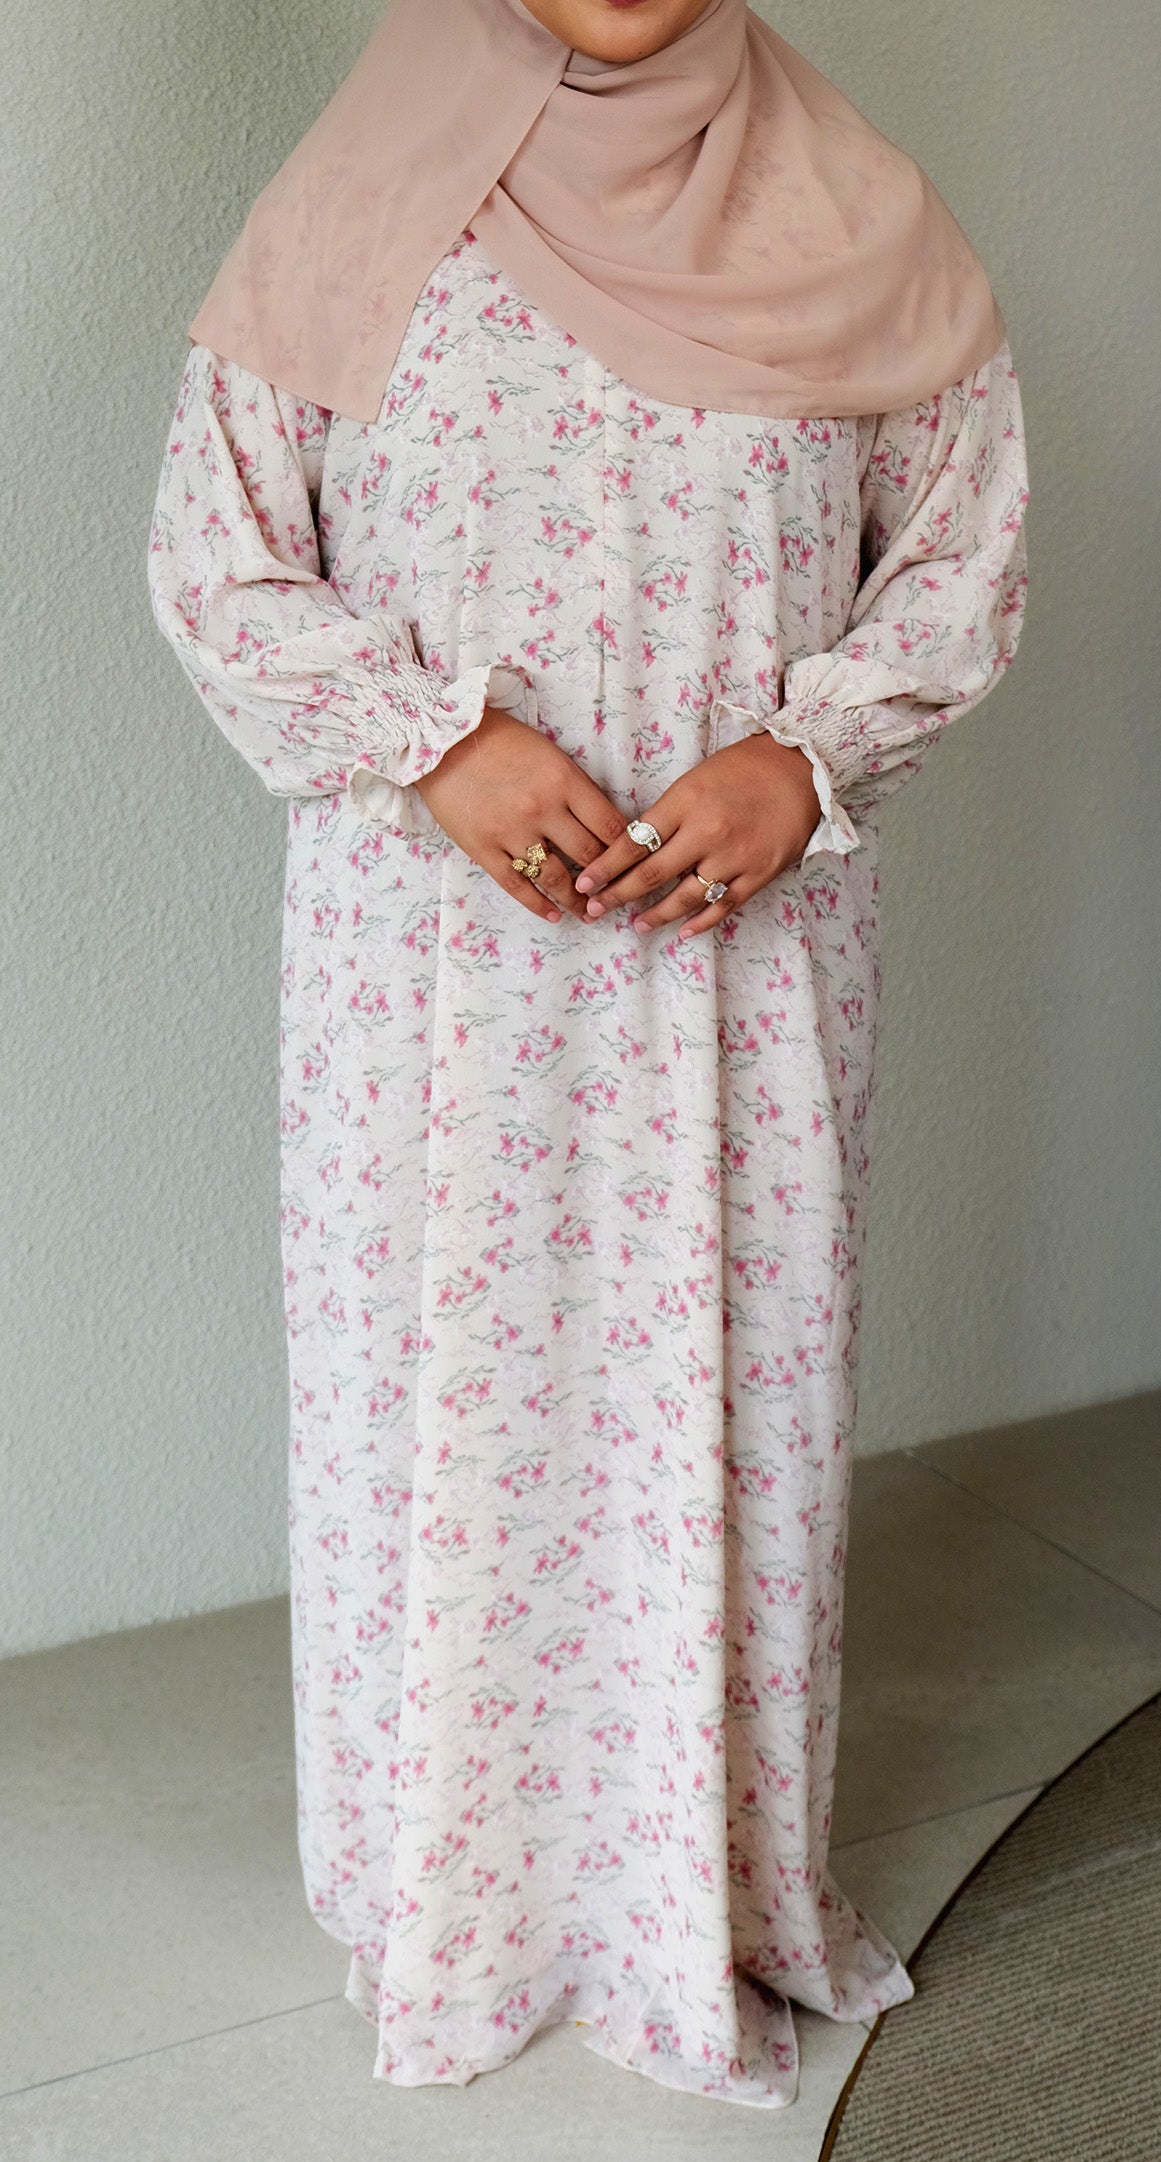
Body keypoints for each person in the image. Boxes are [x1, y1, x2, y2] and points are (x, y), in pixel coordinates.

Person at [147, 0, 1029, 2110]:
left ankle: (695, 1886)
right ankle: (445, 1889)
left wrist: (804, 762)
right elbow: (219, 556)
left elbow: (958, 554)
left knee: (723, 1395)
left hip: (743, 968)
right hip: (430, 984)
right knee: (436, 1389)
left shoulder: (858, 217)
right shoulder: (361, 197)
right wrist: (433, 742)